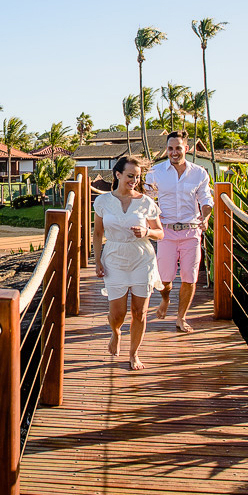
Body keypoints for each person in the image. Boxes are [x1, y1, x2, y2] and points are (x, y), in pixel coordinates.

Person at [93, 155, 164, 370]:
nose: (134, 180)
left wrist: (147, 231)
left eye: (137, 177)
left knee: (139, 312)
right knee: (117, 313)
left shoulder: (146, 202)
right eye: (130, 176)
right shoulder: (102, 201)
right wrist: (97, 261)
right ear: (118, 174)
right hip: (114, 257)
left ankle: (134, 354)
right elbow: (97, 233)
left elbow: (160, 233)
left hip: (142, 258)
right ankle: (116, 332)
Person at [147, 130, 213, 333]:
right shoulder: (155, 172)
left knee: (189, 277)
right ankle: (165, 300)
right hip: (166, 232)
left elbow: (206, 199)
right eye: (170, 149)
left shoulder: (199, 173)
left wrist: (206, 217)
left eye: (178, 148)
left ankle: (181, 317)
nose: (174, 152)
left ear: (187, 148)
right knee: (164, 279)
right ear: (166, 150)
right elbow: (146, 198)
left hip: (191, 232)